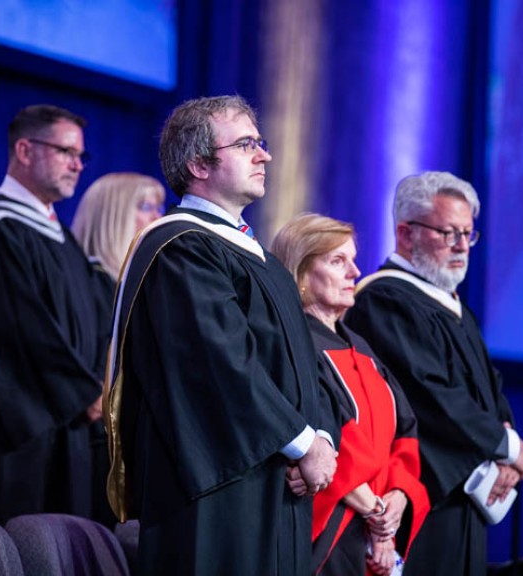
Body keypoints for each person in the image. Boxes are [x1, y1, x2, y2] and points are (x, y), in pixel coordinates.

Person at [103, 95, 338, 576]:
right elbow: (221, 366)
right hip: (216, 493)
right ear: (197, 163)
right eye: (247, 143)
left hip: (278, 483)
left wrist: (320, 437)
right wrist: (301, 444)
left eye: (261, 142)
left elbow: (305, 367)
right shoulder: (180, 248)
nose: (264, 155)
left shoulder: (260, 259)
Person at [344, 171, 523, 576]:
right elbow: (428, 396)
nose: (462, 246)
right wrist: (505, 446)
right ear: (406, 233)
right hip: (421, 498)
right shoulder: (384, 300)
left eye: (468, 234)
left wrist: (508, 446)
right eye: (448, 233)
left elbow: (490, 388)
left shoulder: (454, 306)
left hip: (466, 500)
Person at [0, 104, 107, 524]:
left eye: (81, 155)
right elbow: (19, 331)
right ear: (24, 150)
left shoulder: (62, 238)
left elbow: (96, 323)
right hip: (17, 433)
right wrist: (85, 393)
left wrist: (97, 384)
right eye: (65, 152)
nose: (77, 164)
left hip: (70, 428)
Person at [271, 213, 429, 576]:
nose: (355, 272)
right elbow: (325, 442)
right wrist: (376, 514)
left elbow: (405, 431)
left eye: (353, 260)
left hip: (373, 538)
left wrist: (398, 499)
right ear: (301, 274)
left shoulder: (362, 348)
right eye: (337, 261)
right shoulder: (291, 346)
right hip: (329, 534)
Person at [71, 171, 166, 348]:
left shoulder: (148, 280)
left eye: (159, 208)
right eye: (146, 207)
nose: (157, 217)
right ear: (113, 216)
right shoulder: (90, 282)